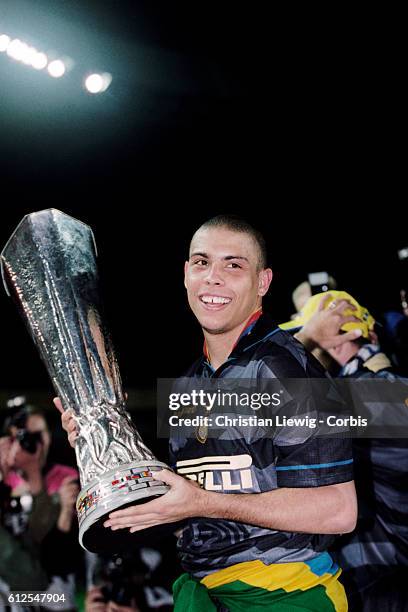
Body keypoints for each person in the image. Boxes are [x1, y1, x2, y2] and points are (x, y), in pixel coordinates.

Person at [56, 216, 357, 611]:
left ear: (262, 282)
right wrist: (101, 444)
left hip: (286, 593)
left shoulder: (289, 371)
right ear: (185, 274)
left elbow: (338, 509)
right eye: (202, 263)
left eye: (233, 265)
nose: (213, 278)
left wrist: (202, 503)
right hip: (202, 590)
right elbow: (186, 504)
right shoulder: (187, 385)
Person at [282, 291, 408, 611]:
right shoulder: (385, 389)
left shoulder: (366, 396)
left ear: (336, 337)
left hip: (377, 584)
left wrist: (306, 339)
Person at [2, 400, 81, 610]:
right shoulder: (5, 480)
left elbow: (53, 551)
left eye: (41, 433)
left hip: (52, 589)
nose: (36, 442)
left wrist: (34, 474)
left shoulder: (65, 477)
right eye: (26, 435)